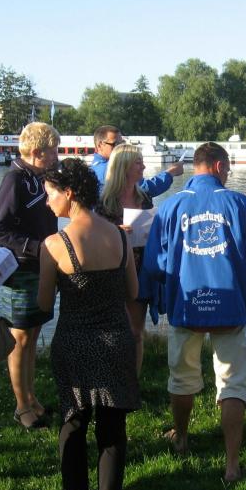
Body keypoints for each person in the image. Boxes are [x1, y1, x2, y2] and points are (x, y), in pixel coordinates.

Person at [141, 142, 246, 481]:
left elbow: (155, 264)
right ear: (217, 166)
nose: (228, 174)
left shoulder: (171, 206)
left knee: (182, 376)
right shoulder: (239, 203)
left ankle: (182, 438)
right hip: (230, 306)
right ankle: (232, 464)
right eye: (227, 168)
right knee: (232, 382)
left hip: (186, 303)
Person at [38, 158, 140, 490]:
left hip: (74, 341)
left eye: (50, 194)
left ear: (68, 193)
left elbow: (44, 304)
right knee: (112, 426)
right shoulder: (120, 236)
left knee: (73, 416)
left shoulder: (55, 244)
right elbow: (133, 291)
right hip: (115, 339)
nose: (47, 201)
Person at [0, 122, 59, 429]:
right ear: (36, 151)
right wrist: (36, 247)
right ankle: (21, 407)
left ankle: (32, 398)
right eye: (52, 151)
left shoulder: (40, 177)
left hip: (41, 265)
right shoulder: (15, 179)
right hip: (20, 270)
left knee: (32, 335)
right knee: (19, 338)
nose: (56, 156)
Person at [96, 144, 175, 375]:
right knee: (112, 329)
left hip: (141, 270)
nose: (143, 166)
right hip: (113, 271)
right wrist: (114, 232)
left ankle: (132, 381)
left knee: (135, 331)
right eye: (138, 163)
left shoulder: (144, 197)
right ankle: (110, 377)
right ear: (124, 167)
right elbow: (92, 238)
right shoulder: (104, 202)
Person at [89, 124, 184, 191]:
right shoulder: (109, 169)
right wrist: (171, 172)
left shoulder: (94, 168)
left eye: (122, 144)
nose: (120, 148)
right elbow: (145, 189)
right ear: (100, 145)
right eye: (115, 144)